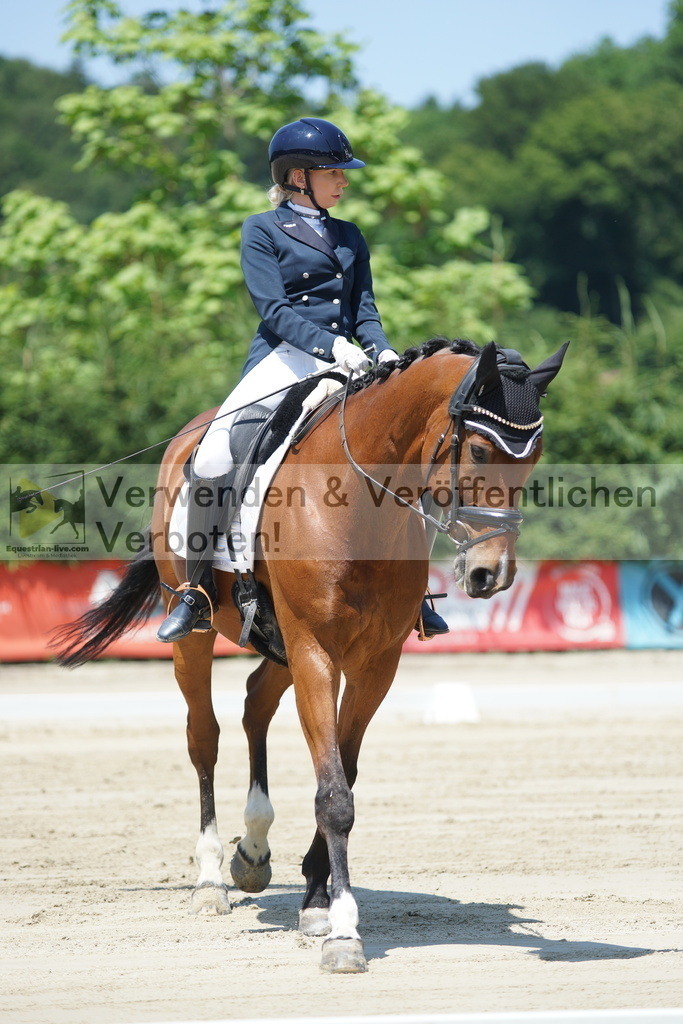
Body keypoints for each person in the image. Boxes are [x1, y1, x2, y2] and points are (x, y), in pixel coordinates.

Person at [157, 117, 448, 645]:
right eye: (334, 172)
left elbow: (364, 308)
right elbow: (273, 309)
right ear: (297, 177)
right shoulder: (261, 229)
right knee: (215, 454)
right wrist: (330, 347)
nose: (344, 182)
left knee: (403, 447)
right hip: (285, 357)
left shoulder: (350, 236)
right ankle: (197, 589)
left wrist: (380, 351)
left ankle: (417, 591)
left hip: (351, 360)